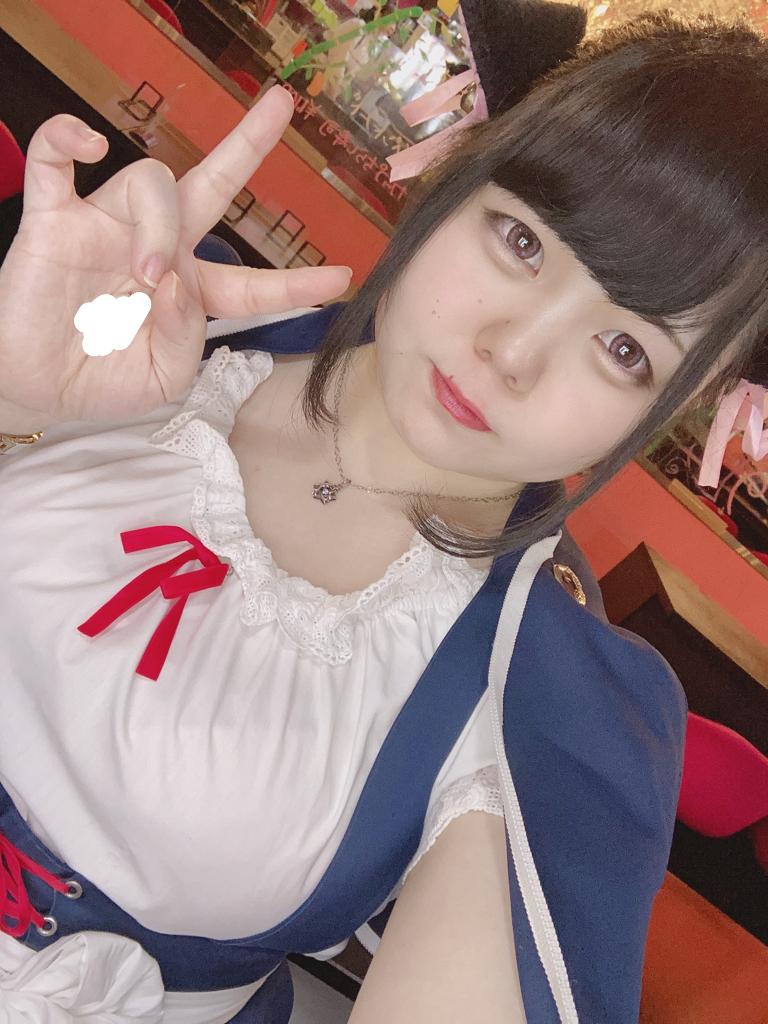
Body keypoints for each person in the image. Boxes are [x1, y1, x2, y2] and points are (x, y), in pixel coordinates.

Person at [0, 4, 767, 1023]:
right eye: (522, 240)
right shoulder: (146, 315)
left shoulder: (539, 694)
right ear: (455, 183)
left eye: (625, 349)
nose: (511, 352)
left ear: (676, 406)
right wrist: (15, 397)